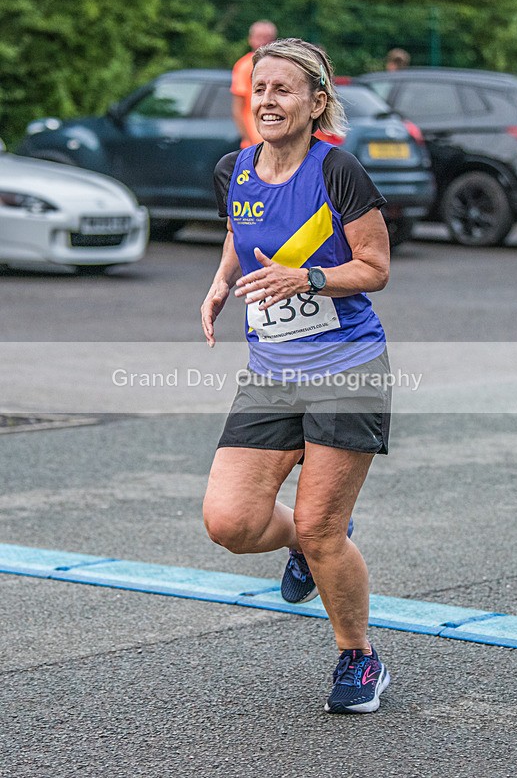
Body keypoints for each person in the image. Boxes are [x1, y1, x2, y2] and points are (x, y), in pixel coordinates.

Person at [201, 38, 392, 714]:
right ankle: (315, 546)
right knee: (230, 521)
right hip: (272, 370)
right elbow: (239, 228)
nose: (268, 101)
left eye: (283, 90)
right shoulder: (235, 168)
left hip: (347, 367)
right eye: (260, 89)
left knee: (320, 526)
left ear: (317, 101)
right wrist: (223, 282)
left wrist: (307, 276)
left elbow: (374, 268)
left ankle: (359, 658)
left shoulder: (338, 172)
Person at [231, 20, 278, 148]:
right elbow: (237, 108)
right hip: (254, 139)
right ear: (250, 39)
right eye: (259, 37)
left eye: (267, 38)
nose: (263, 42)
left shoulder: (281, 65)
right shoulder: (244, 66)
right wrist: (247, 138)